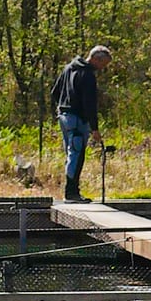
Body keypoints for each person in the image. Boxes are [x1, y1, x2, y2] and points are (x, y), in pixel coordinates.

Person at [49, 45, 111, 203]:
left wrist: (63, 108)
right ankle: (71, 194)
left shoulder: (69, 68)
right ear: (96, 59)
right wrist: (94, 128)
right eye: (103, 65)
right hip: (76, 119)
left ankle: (72, 191)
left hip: (64, 117)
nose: (102, 69)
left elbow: (54, 92)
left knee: (71, 153)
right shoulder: (87, 74)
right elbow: (90, 104)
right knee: (77, 154)